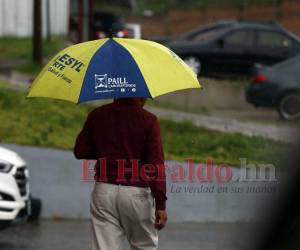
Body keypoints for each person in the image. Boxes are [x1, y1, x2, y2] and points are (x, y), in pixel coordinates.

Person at [74, 97, 167, 250]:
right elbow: (155, 166)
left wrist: (105, 149)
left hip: (104, 192)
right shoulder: (149, 120)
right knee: (143, 246)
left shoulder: (97, 115)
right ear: (140, 95)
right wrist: (161, 204)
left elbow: (80, 151)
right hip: (136, 195)